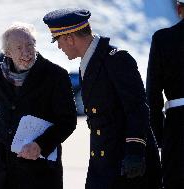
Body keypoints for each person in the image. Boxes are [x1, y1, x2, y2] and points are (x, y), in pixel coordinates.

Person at [43, 8, 162, 189]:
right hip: (103, 162)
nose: (59, 47)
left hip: (127, 162)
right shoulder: (89, 62)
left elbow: (137, 108)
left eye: (58, 41)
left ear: (70, 38)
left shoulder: (116, 59)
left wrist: (135, 151)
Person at [0, 22, 77, 189]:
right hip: (5, 163)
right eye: (19, 48)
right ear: (8, 52)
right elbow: (7, 110)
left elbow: (67, 121)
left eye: (30, 45)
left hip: (39, 166)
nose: (26, 52)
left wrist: (40, 146)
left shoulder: (56, 75)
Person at [146, 1, 184, 188]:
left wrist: (159, 136)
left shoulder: (163, 39)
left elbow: (153, 94)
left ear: (179, 9)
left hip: (177, 127)